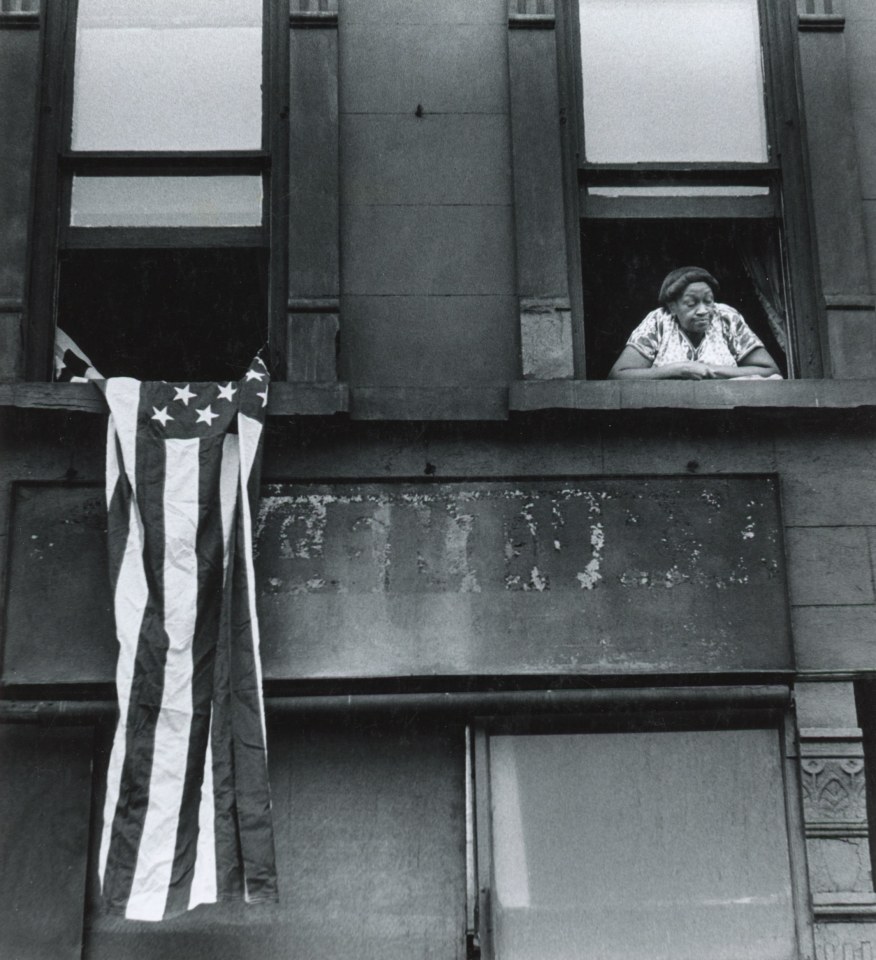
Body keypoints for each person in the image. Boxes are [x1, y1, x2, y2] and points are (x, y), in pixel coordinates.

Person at [607, 266, 782, 380]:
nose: (703, 310)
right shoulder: (658, 322)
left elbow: (770, 370)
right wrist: (677, 370)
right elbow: (618, 375)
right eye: (692, 303)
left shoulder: (726, 318)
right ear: (672, 306)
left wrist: (711, 370)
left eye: (708, 301)